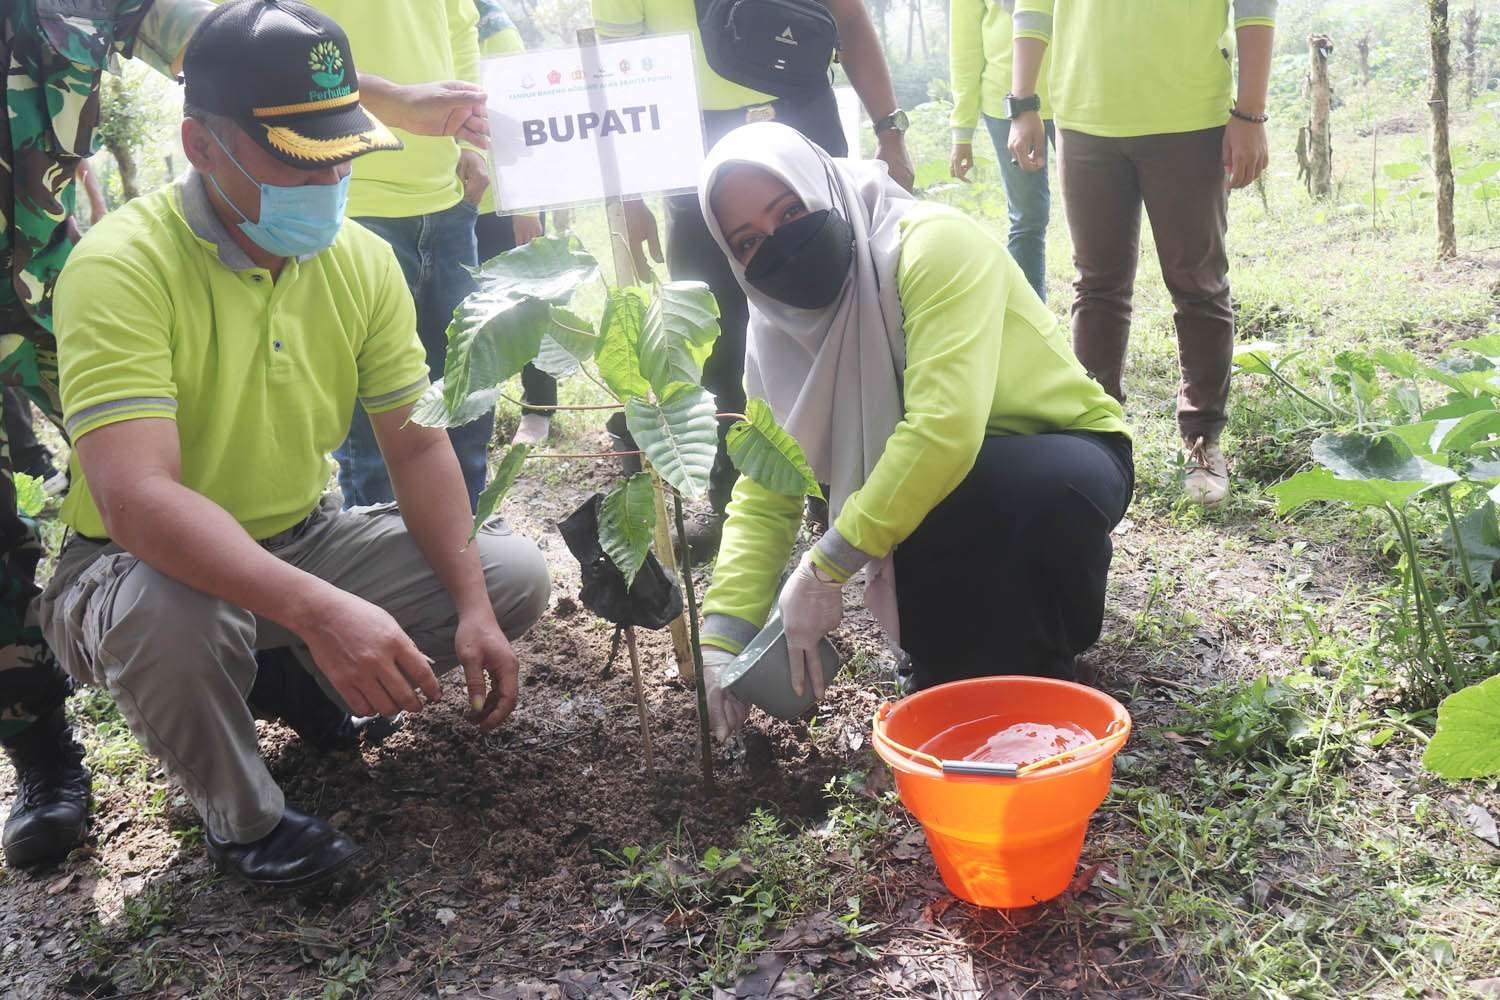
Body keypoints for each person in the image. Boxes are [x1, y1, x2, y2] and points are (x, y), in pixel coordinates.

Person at [35, 0, 549, 889]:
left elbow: (418, 449)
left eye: (344, 150)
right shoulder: (122, 266)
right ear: (201, 146)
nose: (330, 181)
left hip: (301, 535)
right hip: (134, 564)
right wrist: (318, 611)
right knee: (176, 617)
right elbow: (139, 503)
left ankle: (279, 667)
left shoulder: (358, 260)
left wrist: (468, 606)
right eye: (297, 159)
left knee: (510, 577)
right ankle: (248, 825)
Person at [694, 123, 1133, 740]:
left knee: (993, 490)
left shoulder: (931, 245)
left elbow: (944, 429)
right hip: (940, 485)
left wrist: (825, 569)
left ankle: (1040, 671)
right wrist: (723, 635)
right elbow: (769, 486)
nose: (778, 243)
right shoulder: (774, 336)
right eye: (747, 242)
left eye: (790, 211)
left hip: (1061, 451)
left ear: (823, 186)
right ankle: (948, 681)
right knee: (913, 503)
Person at [592, 0, 914, 556]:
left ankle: (843, 488)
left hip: (802, 114)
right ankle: (727, 496)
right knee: (711, 332)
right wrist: (628, 194)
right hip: (687, 139)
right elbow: (616, 65)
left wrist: (891, 131)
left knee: (836, 307)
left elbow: (852, 19)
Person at [1009, 0, 1276, 506]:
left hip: (1189, 116)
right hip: (1087, 118)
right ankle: (1095, 435)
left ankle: (1202, 440)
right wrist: (1023, 103)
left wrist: (1251, 112)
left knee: (1196, 283)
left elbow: (1255, 8)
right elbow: (1033, 9)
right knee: (1096, 285)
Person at [306, 0, 493, 510]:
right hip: (349, 202)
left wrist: (472, 142)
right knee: (376, 435)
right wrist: (396, 102)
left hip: (448, 200)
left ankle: (470, 558)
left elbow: (460, 25)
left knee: (466, 406)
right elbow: (270, 44)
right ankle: (390, 581)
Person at [466, 0, 551, 447]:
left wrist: (527, 207)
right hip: (451, 202)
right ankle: (477, 409)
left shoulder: (492, 25)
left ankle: (539, 409)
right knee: (472, 315)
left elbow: (520, 116)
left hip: (504, 202)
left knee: (526, 308)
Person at [948, 0, 1054, 300]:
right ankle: (1029, 323)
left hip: (1075, 94)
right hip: (1006, 104)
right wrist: (962, 130)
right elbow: (965, 44)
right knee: (1027, 218)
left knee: (1091, 216)